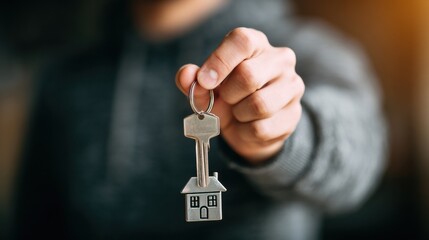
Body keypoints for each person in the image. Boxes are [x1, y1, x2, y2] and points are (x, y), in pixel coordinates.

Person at [13, 0, 387, 239]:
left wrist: (279, 137)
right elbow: (35, 218)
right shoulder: (64, 73)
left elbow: (358, 162)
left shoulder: (303, 49)